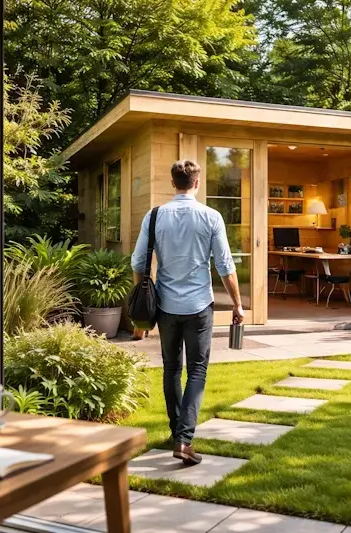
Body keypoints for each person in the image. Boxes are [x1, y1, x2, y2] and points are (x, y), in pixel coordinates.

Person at [131, 159, 244, 465]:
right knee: (197, 370)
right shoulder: (211, 217)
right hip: (198, 306)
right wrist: (237, 304)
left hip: (165, 306)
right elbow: (225, 266)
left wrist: (142, 301)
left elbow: (138, 262)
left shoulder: (155, 216)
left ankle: (177, 434)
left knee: (171, 368)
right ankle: (184, 439)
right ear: (197, 183)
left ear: (173, 183)